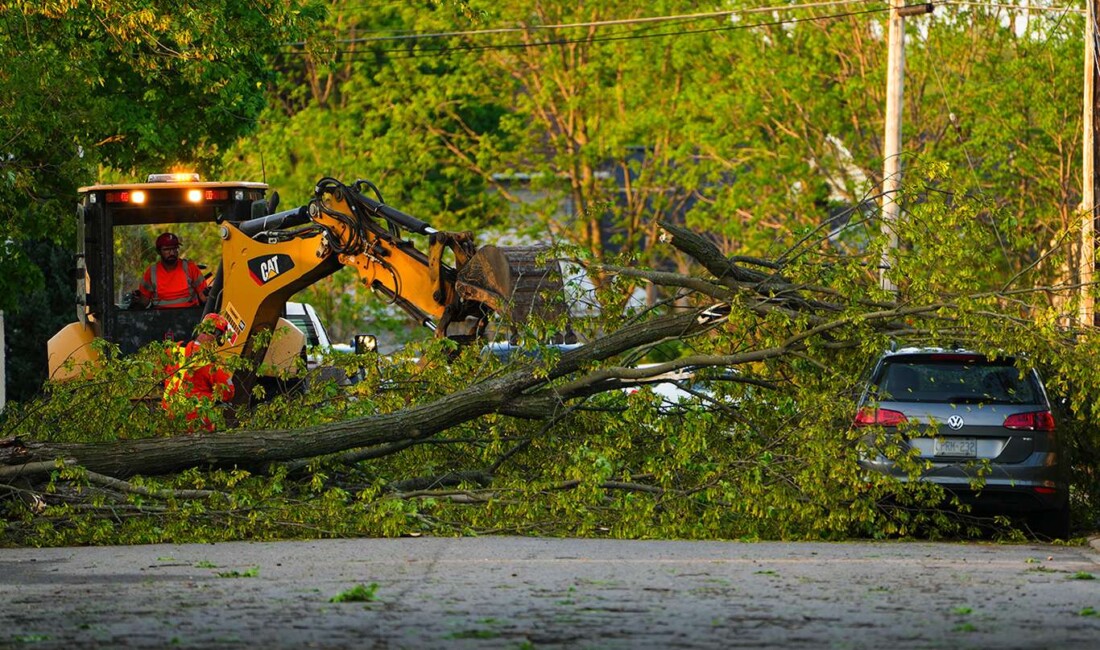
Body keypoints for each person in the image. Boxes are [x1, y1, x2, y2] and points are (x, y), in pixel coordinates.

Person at [162, 313, 236, 432]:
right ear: (216, 336)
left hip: (169, 418)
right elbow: (227, 392)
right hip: (196, 424)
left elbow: (157, 373)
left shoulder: (174, 350)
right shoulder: (210, 362)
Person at [132, 232, 209, 309]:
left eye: (174, 248)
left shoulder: (190, 268)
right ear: (158, 251)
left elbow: (204, 297)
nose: (172, 252)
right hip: (160, 318)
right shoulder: (151, 272)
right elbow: (143, 302)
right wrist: (135, 303)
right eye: (167, 249)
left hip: (190, 318)